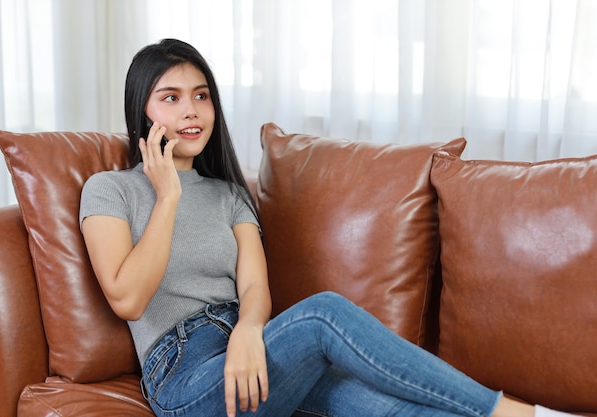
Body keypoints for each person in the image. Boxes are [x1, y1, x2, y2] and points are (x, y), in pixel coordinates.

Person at [79, 38, 577, 417]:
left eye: (201, 95)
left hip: (252, 349)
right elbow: (128, 298)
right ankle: (511, 411)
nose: (191, 110)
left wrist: (249, 332)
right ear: (141, 110)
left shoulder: (230, 195)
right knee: (322, 315)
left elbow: (254, 286)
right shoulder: (110, 190)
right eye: (170, 97)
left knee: (379, 406)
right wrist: (168, 196)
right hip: (185, 377)